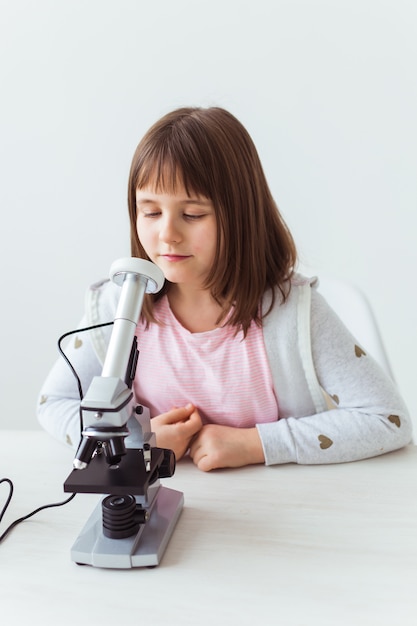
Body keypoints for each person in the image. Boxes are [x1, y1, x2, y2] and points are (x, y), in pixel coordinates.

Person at [37, 106, 412, 471]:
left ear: (239, 215)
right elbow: (53, 402)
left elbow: (389, 420)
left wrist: (255, 444)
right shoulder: (116, 307)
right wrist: (137, 440)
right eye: (150, 212)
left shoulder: (295, 313)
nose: (167, 234)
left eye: (193, 214)